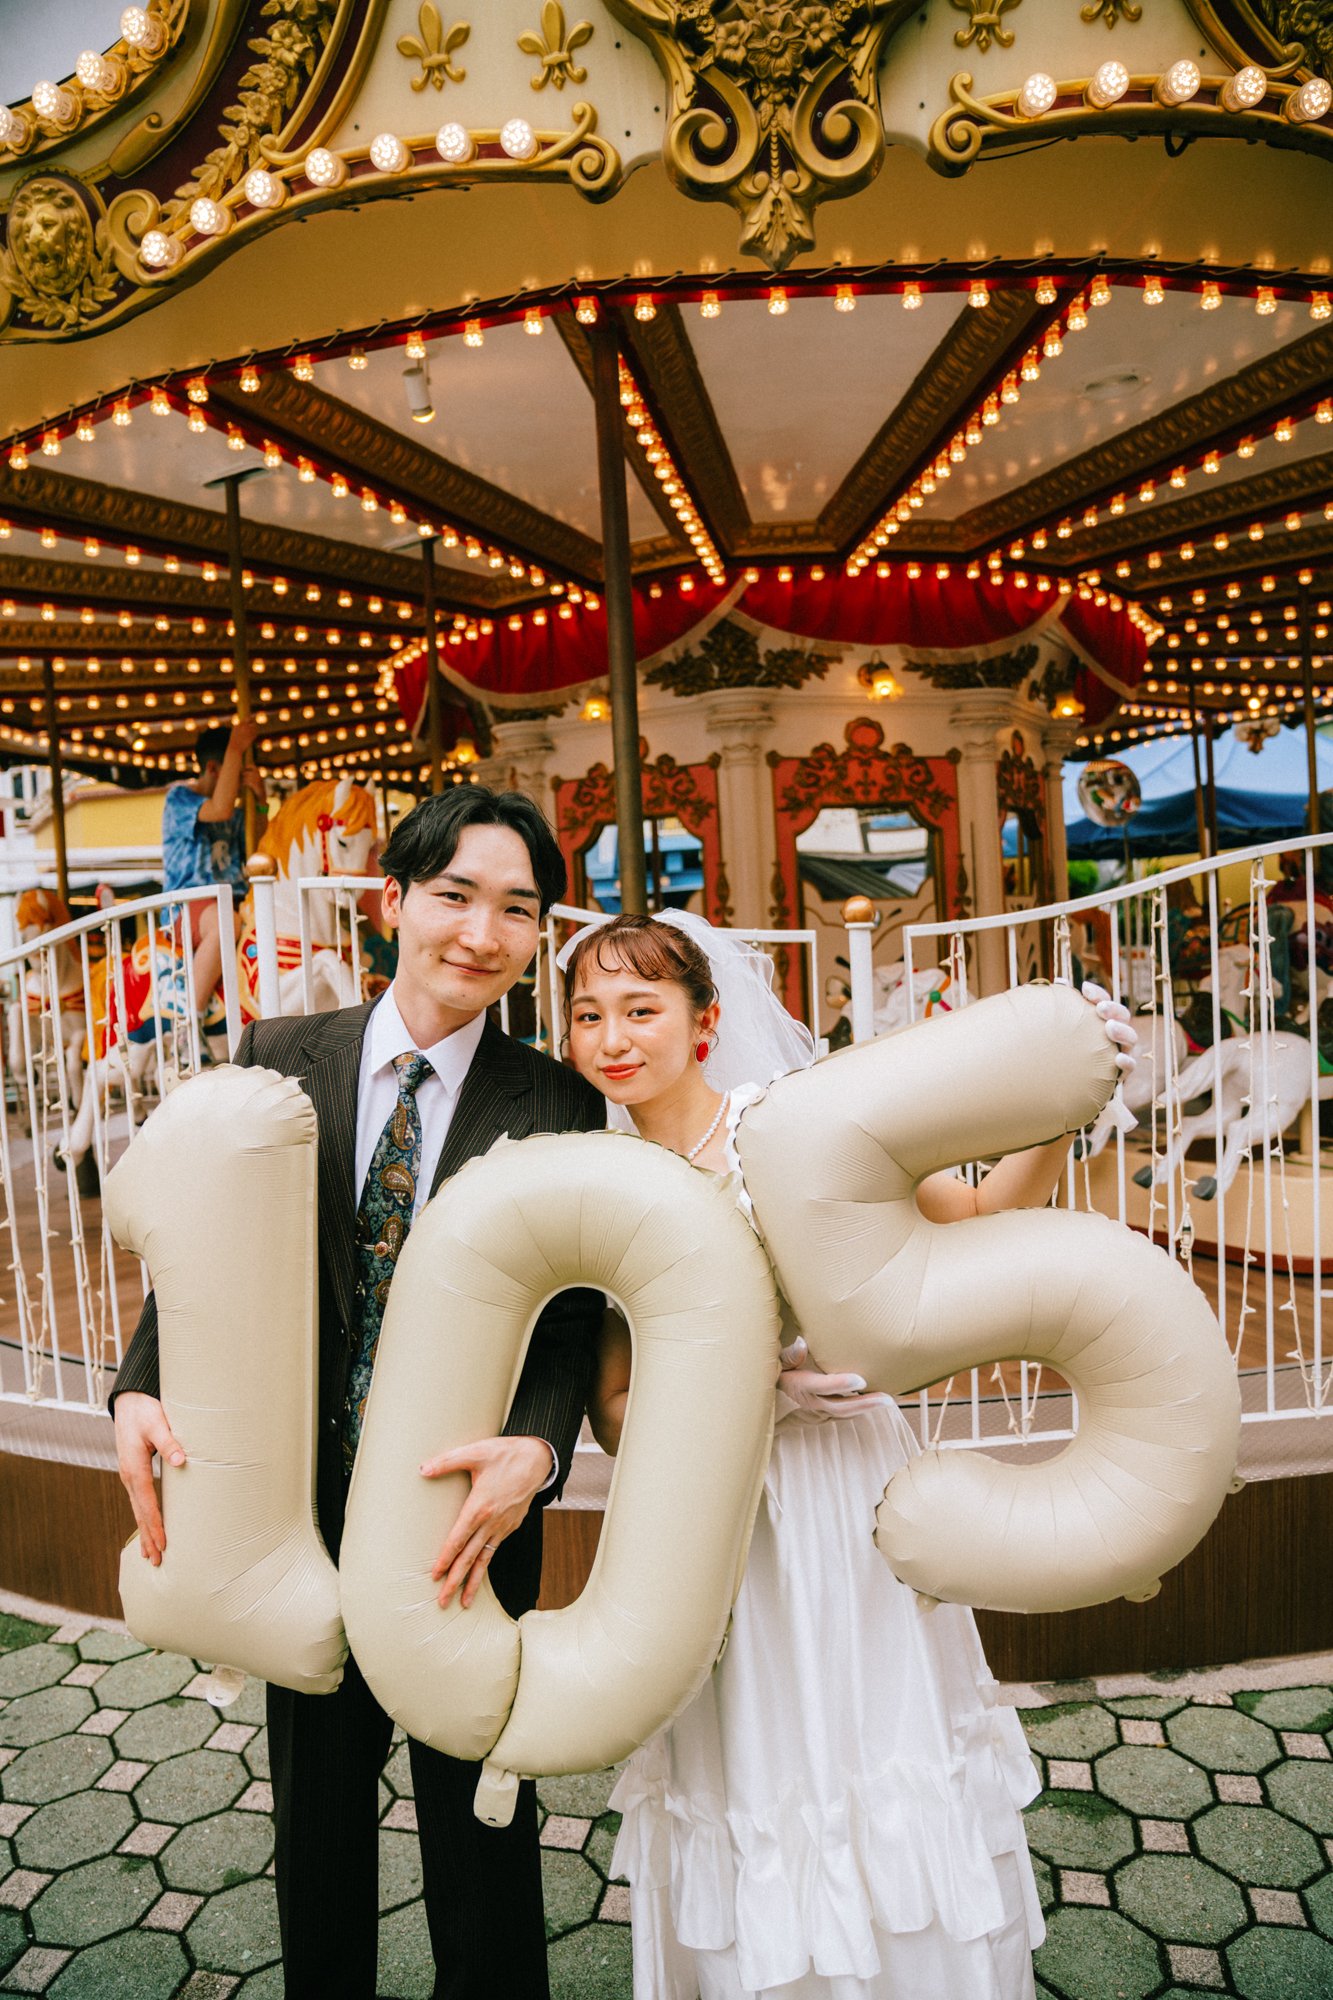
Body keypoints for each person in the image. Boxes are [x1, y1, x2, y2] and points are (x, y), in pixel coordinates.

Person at [561, 911, 1137, 2000]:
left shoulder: (795, 1130)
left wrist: (1066, 1107)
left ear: (706, 1020)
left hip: (842, 1490)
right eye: (588, 1014)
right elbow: (618, 1406)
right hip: (713, 1511)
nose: (612, 1036)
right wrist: (751, 1386)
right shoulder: (594, 1182)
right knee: (751, 1753)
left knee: (873, 1739)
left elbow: (967, 1217)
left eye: (641, 1008)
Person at [112, 785, 606, 2000]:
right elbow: (205, 1243)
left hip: (458, 1527)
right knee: (317, 1833)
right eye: (453, 896)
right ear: (393, 900)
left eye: (516, 909)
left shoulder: (555, 1098)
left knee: (481, 1837)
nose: (480, 933)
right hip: (290, 1509)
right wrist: (136, 1385)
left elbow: (571, 1309)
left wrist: (538, 1452)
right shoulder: (281, 1051)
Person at [161, 719, 266, 1015]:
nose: (237, 783)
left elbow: (260, 846)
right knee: (226, 923)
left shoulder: (236, 812)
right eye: (235, 772)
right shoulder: (180, 799)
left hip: (233, 900)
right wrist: (235, 746)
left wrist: (260, 799)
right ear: (212, 769)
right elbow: (219, 809)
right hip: (189, 903)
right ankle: (189, 1020)